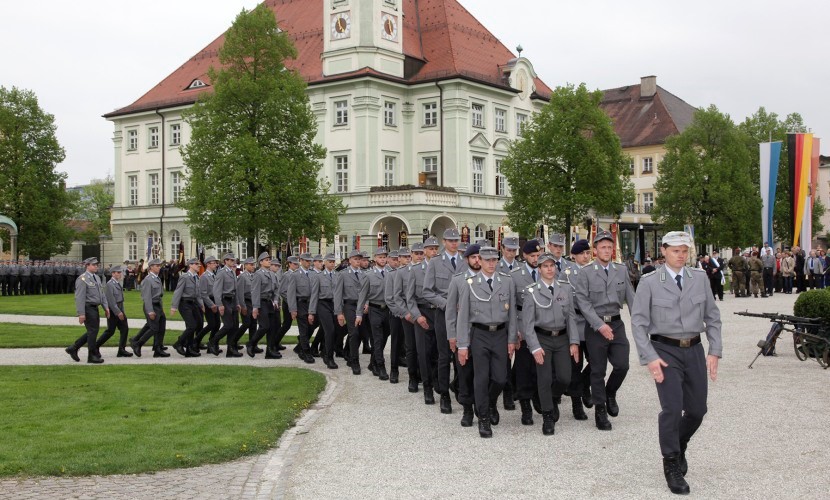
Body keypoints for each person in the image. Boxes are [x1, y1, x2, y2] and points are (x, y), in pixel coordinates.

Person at [630, 231, 722, 495]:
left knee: (697, 410)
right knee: (672, 408)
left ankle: (679, 442)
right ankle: (671, 461)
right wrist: (650, 357)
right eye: (675, 251)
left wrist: (714, 351)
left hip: (693, 349)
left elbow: (713, 318)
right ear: (664, 251)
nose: (681, 256)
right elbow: (638, 323)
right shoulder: (649, 282)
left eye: (684, 251)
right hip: (664, 351)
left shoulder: (700, 278)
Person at [573, 229, 635, 431]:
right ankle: (600, 411)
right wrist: (600, 326)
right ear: (595, 250)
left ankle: (610, 392)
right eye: (603, 247)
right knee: (598, 370)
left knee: (622, 365)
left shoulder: (621, 270)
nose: (607, 250)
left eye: (609, 246)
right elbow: (582, 302)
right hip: (595, 326)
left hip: (616, 323)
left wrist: (640, 323)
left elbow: (631, 297)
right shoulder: (586, 272)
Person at [456, 246, 517, 438]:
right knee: (481, 378)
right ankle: (483, 417)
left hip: (500, 333)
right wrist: (463, 345)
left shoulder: (506, 282)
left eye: (494, 260)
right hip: (479, 334)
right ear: (479, 261)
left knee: (500, 377)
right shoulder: (470, 283)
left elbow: (513, 313)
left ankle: (490, 402)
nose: (491, 264)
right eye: (487, 260)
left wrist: (512, 339)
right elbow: (463, 316)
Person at [521, 252, 580, 435]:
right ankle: (547, 415)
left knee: (564, 377)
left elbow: (571, 317)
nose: (549, 269)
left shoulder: (565, 289)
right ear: (539, 270)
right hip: (542, 339)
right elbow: (527, 324)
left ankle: (552, 397)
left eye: (552, 265)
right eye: (545, 266)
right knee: (544, 378)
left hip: (562, 338)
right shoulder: (531, 291)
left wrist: (574, 342)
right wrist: (534, 347)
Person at [422, 228, 468, 415]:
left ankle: (459, 388)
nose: (454, 243)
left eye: (456, 240)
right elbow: (427, 291)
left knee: (462, 354)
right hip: (443, 314)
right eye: (450, 240)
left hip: (464, 315)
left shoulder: (466, 262)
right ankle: (444, 396)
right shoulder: (435, 263)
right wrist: (447, 304)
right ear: (444, 241)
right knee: (444, 356)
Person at [445, 243, 481, 427]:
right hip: (464, 333)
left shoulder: (493, 279)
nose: (477, 260)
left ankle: (485, 405)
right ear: (467, 259)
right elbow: (450, 311)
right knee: (465, 373)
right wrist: (452, 336)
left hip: (484, 334)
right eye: (473, 257)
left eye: (479, 257)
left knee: (486, 373)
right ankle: (467, 408)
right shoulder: (458, 280)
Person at [511, 239, 543, 425]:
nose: (536, 259)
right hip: (523, 323)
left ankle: (538, 395)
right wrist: (514, 329)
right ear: (524, 256)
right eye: (532, 256)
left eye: (538, 255)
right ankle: (525, 405)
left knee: (541, 365)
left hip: (543, 324)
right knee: (523, 366)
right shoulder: (515, 275)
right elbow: (512, 307)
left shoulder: (547, 271)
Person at [406, 237, 440, 403]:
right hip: (423, 313)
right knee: (424, 352)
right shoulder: (416, 270)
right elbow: (410, 298)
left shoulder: (442, 268)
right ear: (424, 251)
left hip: (440, 313)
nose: (434, 251)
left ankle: (437, 381)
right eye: (430, 249)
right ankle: (427, 387)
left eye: (436, 248)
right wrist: (417, 316)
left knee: (439, 351)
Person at [564, 238, 592, 421]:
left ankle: (583, 385)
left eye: (588, 253)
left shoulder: (594, 271)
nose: (585, 256)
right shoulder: (566, 274)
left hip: (591, 322)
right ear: (573, 256)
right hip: (575, 321)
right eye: (581, 253)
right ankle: (576, 404)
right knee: (575, 364)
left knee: (597, 360)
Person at [357, 247, 393, 380]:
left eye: (384, 257)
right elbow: (362, 296)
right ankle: (380, 366)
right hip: (374, 309)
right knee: (377, 339)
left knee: (384, 337)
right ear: (375, 258)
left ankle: (373, 362)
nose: (383, 259)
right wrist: (359, 314)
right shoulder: (369, 275)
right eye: (380, 257)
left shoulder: (391, 273)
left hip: (388, 310)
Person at [66, 257, 110, 363]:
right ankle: (91, 355)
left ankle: (74, 348)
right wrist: (81, 313)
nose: (96, 267)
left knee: (92, 331)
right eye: (93, 265)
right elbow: (79, 297)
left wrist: (106, 307)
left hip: (95, 307)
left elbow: (102, 294)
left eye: (97, 265)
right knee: (93, 331)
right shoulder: (83, 279)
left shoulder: (97, 278)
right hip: (88, 307)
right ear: (87, 266)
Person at [392, 245, 421, 392]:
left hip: (423, 314)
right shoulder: (402, 272)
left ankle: (424, 374)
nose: (419, 256)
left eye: (421, 253)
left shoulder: (428, 269)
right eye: (416, 254)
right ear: (411, 255)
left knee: (425, 347)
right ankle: (413, 377)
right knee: (411, 347)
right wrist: (406, 313)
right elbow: (397, 296)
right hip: (409, 315)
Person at [335, 250, 366, 374]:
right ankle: (354, 361)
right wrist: (339, 313)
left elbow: (367, 291)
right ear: (350, 260)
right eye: (355, 259)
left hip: (362, 306)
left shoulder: (365, 274)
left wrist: (367, 303)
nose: (358, 261)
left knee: (362, 334)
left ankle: (348, 352)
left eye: (359, 259)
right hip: (349, 305)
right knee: (354, 333)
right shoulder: (343, 274)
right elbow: (338, 294)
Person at [130, 258, 169, 358]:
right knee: (154, 328)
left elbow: (159, 295)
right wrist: (150, 311)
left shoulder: (157, 278)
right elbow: (146, 297)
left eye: (159, 266)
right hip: (151, 305)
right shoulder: (148, 280)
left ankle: (158, 349)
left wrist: (161, 308)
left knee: (161, 328)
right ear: (151, 267)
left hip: (158, 305)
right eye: (157, 266)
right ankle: (138, 344)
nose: (159, 267)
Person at [96, 265, 133, 357]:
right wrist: (118, 312)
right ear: (113, 273)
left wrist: (122, 311)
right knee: (110, 331)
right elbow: (111, 301)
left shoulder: (117, 283)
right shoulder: (110, 284)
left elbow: (121, 300)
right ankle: (95, 346)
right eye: (118, 272)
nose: (120, 274)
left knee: (124, 328)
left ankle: (121, 349)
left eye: (120, 272)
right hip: (114, 311)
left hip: (119, 309)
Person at [170, 258, 204, 357]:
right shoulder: (185, 277)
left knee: (197, 324)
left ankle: (189, 349)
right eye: (197, 264)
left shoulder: (196, 277)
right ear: (191, 265)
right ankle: (179, 343)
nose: (199, 266)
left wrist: (201, 304)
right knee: (191, 325)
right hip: (184, 303)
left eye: (199, 264)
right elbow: (178, 292)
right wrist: (174, 306)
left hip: (193, 303)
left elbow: (198, 294)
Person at [310, 253, 338, 368]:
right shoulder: (319, 276)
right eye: (330, 262)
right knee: (329, 330)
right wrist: (311, 312)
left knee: (335, 330)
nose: (332, 264)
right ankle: (329, 357)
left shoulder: (338, 275)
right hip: (323, 304)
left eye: (333, 262)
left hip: (335, 305)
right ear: (325, 263)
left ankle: (325, 351)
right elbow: (314, 295)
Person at [247, 252, 278, 358]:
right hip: (261, 302)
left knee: (272, 327)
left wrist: (276, 300)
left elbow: (276, 289)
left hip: (270, 302)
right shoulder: (258, 274)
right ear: (261, 262)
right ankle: (251, 343)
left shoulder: (272, 274)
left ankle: (269, 351)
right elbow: (255, 291)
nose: (269, 261)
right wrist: (255, 307)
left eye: (269, 259)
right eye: (266, 259)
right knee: (264, 326)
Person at [210, 253, 241, 357]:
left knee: (235, 326)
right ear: (226, 261)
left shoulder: (232, 272)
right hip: (224, 300)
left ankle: (230, 349)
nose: (233, 262)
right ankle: (213, 342)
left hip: (232, 300)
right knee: (228, 325)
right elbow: (216, 290)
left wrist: (237, 303)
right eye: (231, 260)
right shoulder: (221, 273)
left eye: (234, 260)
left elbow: (235, 290)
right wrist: (220, 304)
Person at [195, 256, 221, 354]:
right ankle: (196, 341)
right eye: (213, 263)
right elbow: (203, 293)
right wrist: (211, 305)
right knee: (211, 324)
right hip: (208, 302)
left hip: (215, 301)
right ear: (208, 264)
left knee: (217, 324)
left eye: (215, 263)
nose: (215, 264)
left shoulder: (214, 275)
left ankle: (212, 344)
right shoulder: (204, 277)